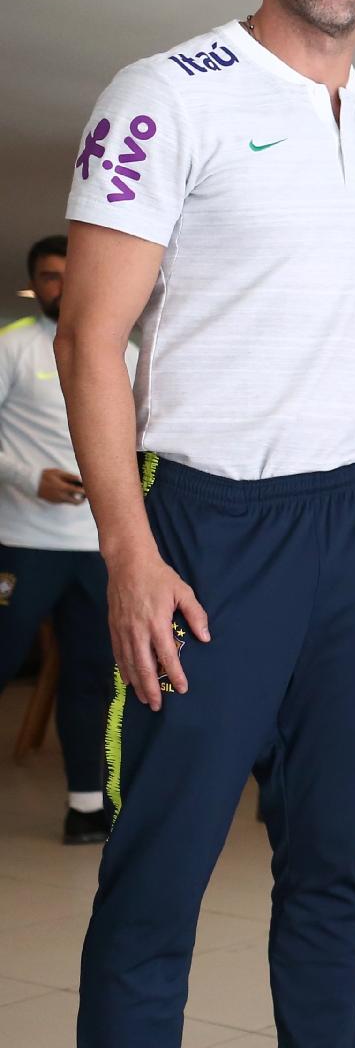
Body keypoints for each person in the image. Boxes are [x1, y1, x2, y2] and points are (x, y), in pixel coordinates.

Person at [58, 0, 355, 1045]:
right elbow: (91, 335)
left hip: (353, 527)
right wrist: (130, 551)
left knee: (331, 866)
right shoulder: (168, 93)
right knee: (162, 873)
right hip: (210, 526)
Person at [0, 234, 134, 843]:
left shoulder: (128, 354)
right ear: (36, 285)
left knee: (92, 676)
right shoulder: (12, 346)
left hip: (100, 546)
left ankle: (86, 807)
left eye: (67, 273)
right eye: (47, 277)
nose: (60, 285)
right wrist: (31, 476)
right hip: (22, 540)